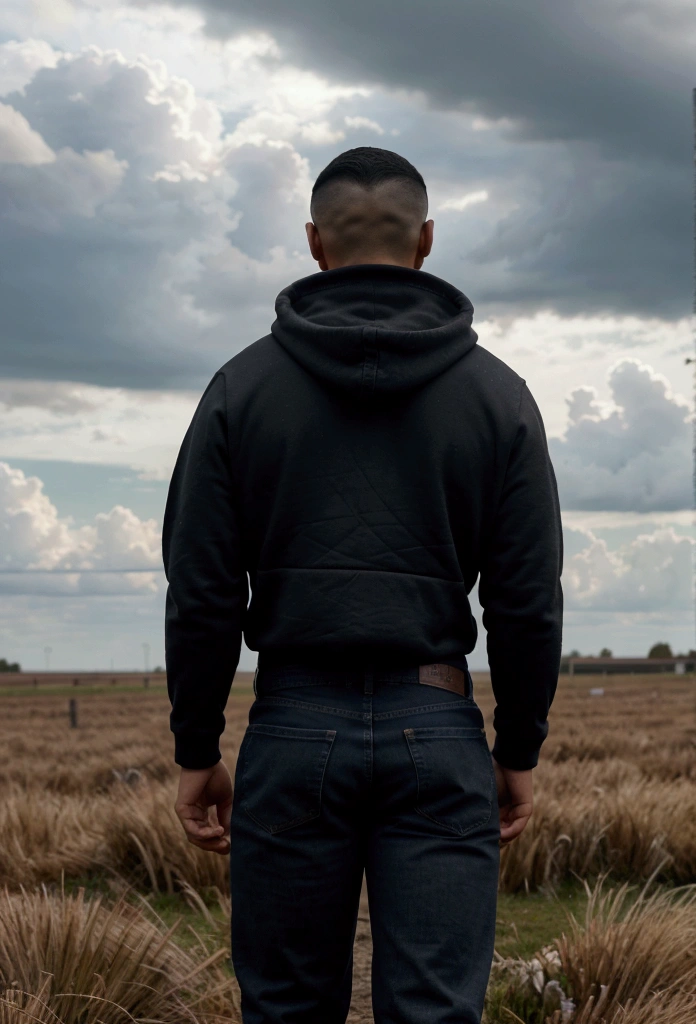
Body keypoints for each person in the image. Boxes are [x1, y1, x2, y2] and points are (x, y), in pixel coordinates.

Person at [162, 146, 564, 1024]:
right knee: (433, 1011)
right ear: (426, 238)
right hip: (440, 725)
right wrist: (518, 749)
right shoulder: (500, 396)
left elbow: (200, 592)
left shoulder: (240, 390)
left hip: (293, 726)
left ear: (314, 243)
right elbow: (528, 599)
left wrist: (197, 748)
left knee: (287, 1006)